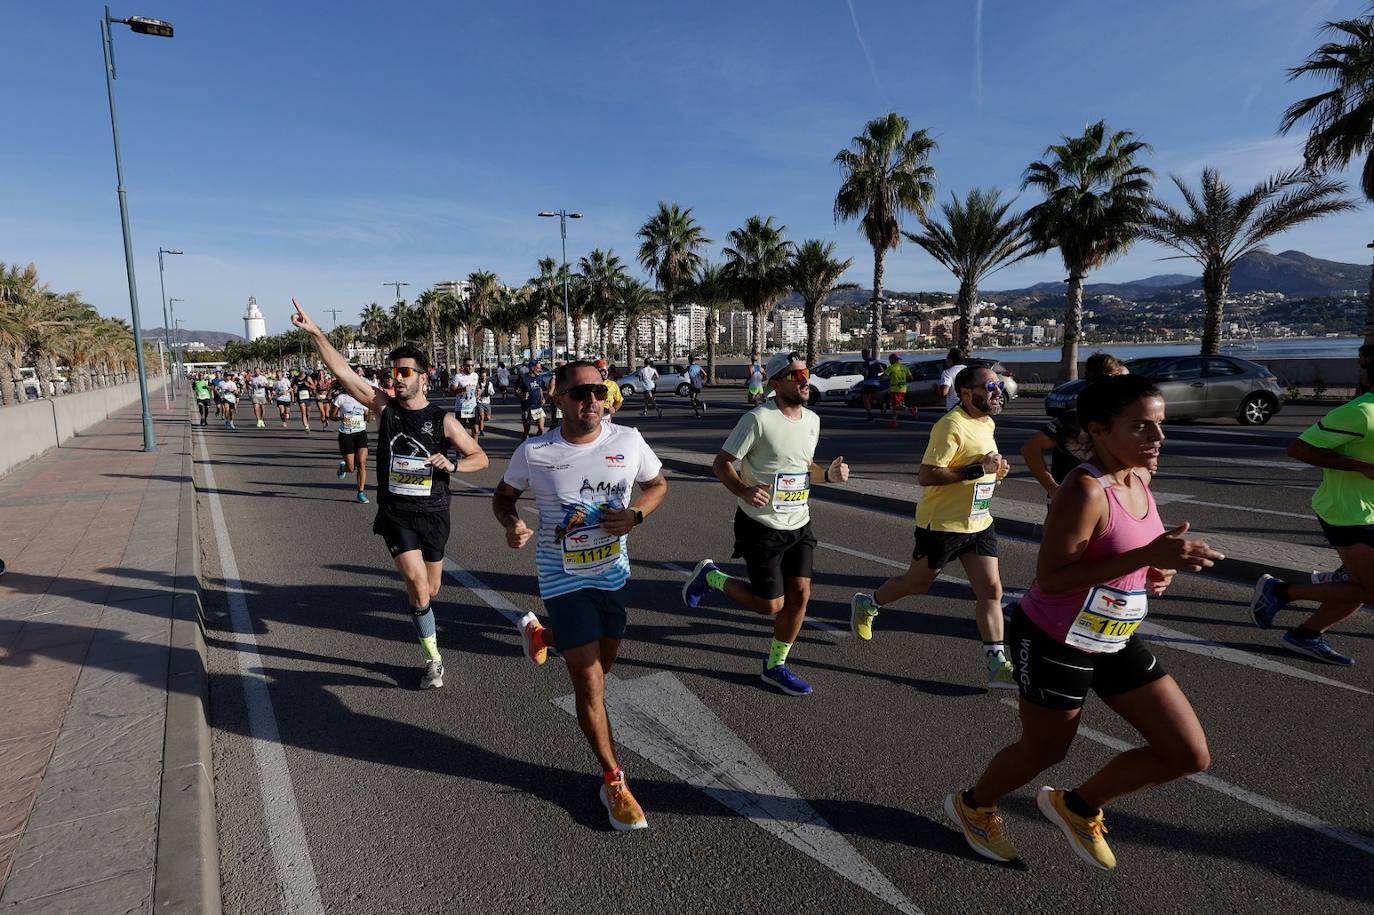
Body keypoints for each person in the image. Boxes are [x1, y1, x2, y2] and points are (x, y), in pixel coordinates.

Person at [946, 374, 1221, 870]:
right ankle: (974, 804)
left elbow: (1131, 556)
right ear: (1099, 429)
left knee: (1187, 754)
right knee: (1045, 750)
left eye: (1159, 425)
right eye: (1141, 428)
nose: (1158, 439)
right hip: (1055, 637)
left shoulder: (1141, 476)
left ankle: (1077, 805)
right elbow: (1051, 579)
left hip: (1112, 636)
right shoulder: (1085, 490)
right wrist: (1145, 554)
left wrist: (1157, 570)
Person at [492, 360, 668, 831]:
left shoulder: (628, 441)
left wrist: (636, 517)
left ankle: (544, 636)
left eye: (598, 391)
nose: (591, 400)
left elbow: (656, 485)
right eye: (579, 393)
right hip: (561, 579)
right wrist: (512, 524)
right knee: (591, 681)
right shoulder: (535, 451)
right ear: (558, 398)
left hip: (612, 576)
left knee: (604, 662)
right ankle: (613, 781)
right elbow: (503, 496)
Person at [292, 299, 488, 689]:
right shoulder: (386, 408)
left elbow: (479, 457)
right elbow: (344, 373)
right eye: (391, 372)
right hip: (396, 512)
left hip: (434, 513)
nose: (395, 378)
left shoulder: (442, 420)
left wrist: (453, 466)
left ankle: (424, 618)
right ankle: (433, 660)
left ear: (422, 377)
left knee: (430, 589)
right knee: (417, 584)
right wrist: (316, 333)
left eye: (403, 372)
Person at [682, 352, 850, 696]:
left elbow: (805, 467)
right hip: (760, 525)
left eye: (806, 372)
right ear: (776, 383)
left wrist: (828, 475)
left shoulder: (813, 420)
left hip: (799, 521)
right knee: (770, 605)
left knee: (801, 595)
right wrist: (743, 490)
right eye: (795, 374)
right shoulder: (757, 419)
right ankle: (710, 577)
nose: (804, 379)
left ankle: (775, 665)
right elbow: (722, 463)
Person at [849, 365, 1016, 689]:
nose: (998, 391)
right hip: (941, 524)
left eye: (999, 385)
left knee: (991, 590)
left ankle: (996, 663)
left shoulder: (987, 422)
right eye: (990, 386)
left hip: (979, 522)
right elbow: (927, 475)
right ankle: (868, 603)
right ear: (966, 393)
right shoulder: (950, 426)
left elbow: (979, 467)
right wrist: (977, 469)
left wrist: (994, 473)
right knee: (917, 583)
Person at [1249, 356, 1374, 666]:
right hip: (1349, 512)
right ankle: (1282, 593)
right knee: (1369, 589)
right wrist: (1360, 467)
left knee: (1361, 587)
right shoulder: (1361, 414)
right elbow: (1299, 448)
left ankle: (1305, 634)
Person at [1023, 353, 1128, 498]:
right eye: (1124, 381)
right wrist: (1052, 487)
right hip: (1072, 499)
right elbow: (1030, 449)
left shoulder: (1120, 418)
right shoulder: (1076, 417)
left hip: (1104, 498)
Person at [334, 381, 371, 504]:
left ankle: (360, 492)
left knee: (361, 463)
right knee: (351, 468)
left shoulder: (362, 399)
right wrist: (342, 418)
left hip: (361, 434)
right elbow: (331, 415)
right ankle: (344, 468)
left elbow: (368, 418)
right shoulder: (341, 398)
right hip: (346, 434)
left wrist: (370, 411)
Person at [451, 359, 480, 438]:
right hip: (461, 407)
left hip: (472, 406)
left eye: (472, 365)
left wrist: (478, 390)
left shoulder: (475, 375)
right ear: (463, 366)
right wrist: (462, 390)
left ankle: (474, 449)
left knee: (476, 430)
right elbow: (452, 390)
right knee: (461, 432)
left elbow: (476, 385)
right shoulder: (458, 376)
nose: (470, 367)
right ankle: (459, 450)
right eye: (468, 366)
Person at [884, 352, 915, 428]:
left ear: (892, 360)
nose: (889, 361)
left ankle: (911, 410)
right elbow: (911, 378)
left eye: (890, 360)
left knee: (895, 406)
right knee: (895, 405)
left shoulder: (891, 367)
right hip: (903, 389)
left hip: (895, 389)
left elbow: (884, 376)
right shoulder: (905, 367)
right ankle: (894, 421)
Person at [519, 361, 547, 439]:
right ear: (532, 368)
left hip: (537, 407)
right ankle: (523, 445)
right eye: (538, 368)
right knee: (527, 430)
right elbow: (516, 390)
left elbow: (540, 388)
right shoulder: (523, 378)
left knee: (541, 429)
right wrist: (522, 395)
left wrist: (542, 398)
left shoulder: (539, 377)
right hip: (527, 407)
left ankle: (537, 444)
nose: (540, 370)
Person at [937, 347, 970, 412]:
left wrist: (936, 389)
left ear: (951, 360)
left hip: (955, 408)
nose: (946, 360)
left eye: (947, 357)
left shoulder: (947, 372)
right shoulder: (969, 370)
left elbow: (944, 392)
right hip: (969, 407)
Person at [859, 348, 885, 421]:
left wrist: (862, 372)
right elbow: (882, 369)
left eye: (862, 354)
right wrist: (875, 373)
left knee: (865, 398)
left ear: (864, 354)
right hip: (876, 382)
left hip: (868, 382)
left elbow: (866, 373)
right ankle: (881, 404)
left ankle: (869, 414)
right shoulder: (875, 361)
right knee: (872, 398)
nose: (862, 356)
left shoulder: (866, 362)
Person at [475, 368, 494, 438]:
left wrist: (489, 392)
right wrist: (478, 393)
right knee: (482, 416)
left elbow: (492, 392)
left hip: (487, 402)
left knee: (488, 418)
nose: (484, 378)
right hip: (480, 402)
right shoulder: (477, 384)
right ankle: (481, 431)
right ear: (480, 377)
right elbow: (475, 393)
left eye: (485, 376)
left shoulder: (489, 384)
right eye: (482, 376)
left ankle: (480, 421)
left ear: (487, 377)